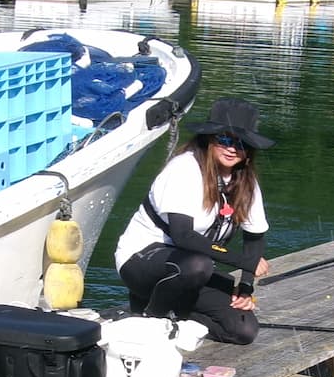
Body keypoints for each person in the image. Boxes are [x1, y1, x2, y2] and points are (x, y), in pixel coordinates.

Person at [113, 97, 274, 344]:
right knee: (197, 265)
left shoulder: (246, 183)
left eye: (241, 144)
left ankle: (177, 317)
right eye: (225, 139)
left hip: (193, 269)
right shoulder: (184, 169)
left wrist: (246, 287)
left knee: (243, 330)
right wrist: (245, 261)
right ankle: (150, 320)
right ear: (209, 139)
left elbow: (255, 237)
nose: (232, 148)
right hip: (141, 262)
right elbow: (183, 236)